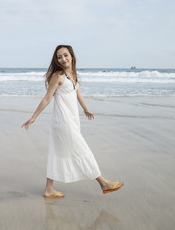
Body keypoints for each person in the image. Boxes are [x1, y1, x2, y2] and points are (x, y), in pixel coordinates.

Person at [21, 45, 123, 198]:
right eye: (59, 57)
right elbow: (47, 98)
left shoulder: (73, 74)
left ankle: (49, 189)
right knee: (82, 150)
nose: (63, 59)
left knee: (57, 152)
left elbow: (77, 93)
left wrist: (85, 109)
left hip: (73, 119)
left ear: (72, 56)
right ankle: (103, 183)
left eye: (65, 55)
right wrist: (34, 117)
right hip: (63, 121)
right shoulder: (58, 75)